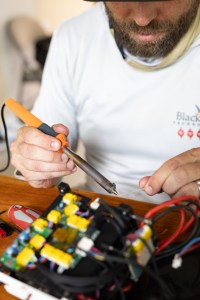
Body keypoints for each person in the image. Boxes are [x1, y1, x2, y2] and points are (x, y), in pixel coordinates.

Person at [10, 0, 200, 203]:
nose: (142, 19)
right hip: (100, 207)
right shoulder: (74, 37)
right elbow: (45, 144)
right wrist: (37, 164)